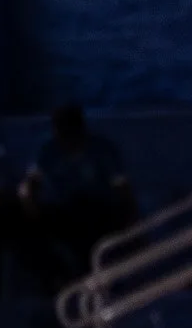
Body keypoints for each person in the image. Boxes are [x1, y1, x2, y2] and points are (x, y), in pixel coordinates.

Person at [17, 105, 136, 290]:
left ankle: (92, 283)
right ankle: (56, 283)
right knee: (28, 233)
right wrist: (28, 202)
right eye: (60, 129)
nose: (65, 136)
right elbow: (30, 184)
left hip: (98, 210)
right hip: (63, 210)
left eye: (70, 129)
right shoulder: (48, 150)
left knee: (89, 226)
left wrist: (128, 216)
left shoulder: (102, 149)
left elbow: (122, 188)